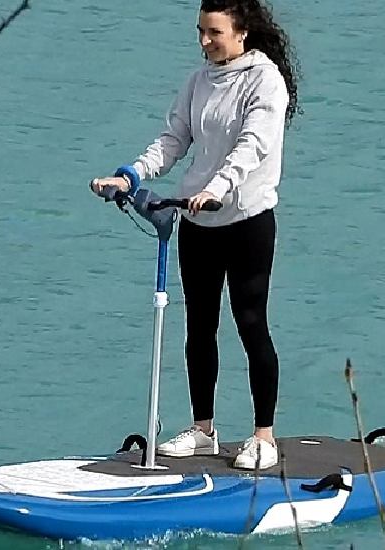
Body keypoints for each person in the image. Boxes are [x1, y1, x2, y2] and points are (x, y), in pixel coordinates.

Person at [89, 0, 300, 470]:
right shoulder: (198, 81)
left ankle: (263, 437)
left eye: (214, 33)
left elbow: (254, 144)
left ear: (242, 32)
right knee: (199, 327)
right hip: (197, 222)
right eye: (201, 32)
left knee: (250, 324)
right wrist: (131, 177)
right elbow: (173, 140)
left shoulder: (264, 80)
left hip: (246, 219)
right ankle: (203, 431)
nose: (205, 42)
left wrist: (216, 188)